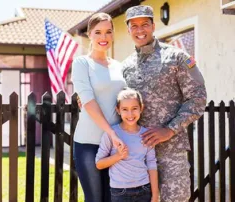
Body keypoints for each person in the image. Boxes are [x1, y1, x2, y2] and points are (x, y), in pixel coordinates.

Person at [122, 5, 207, 202]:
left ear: (153, 26)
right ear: (128, 30)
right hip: (138, 153)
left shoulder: (176, 57)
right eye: (134, 26)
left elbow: (198, 97)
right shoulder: (125, 66)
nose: (140, 30)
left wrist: (169, 130)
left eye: (145, 24)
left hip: (172, 152)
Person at [71, 12, 127, 202]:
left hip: (115, 145)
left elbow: (125, 101)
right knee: (95, 198)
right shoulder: (82, 63)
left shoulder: (119, 66)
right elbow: (88, 101)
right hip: (88, 143)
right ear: (89, 34)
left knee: (113, 198)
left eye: (108, 32)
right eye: (98, 32)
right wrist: (111, 133)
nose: (103, 37)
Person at [95, 87, 159, 202]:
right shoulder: (111, 134)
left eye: (134, 108)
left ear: (141, 108)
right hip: (120, 192)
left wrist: (155, 195)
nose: (130, 114)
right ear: (118, 110)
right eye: (125, 109)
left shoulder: (146, 134)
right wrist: (118, 156)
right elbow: (99, 164)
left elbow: (151, 164)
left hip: (144, 189)